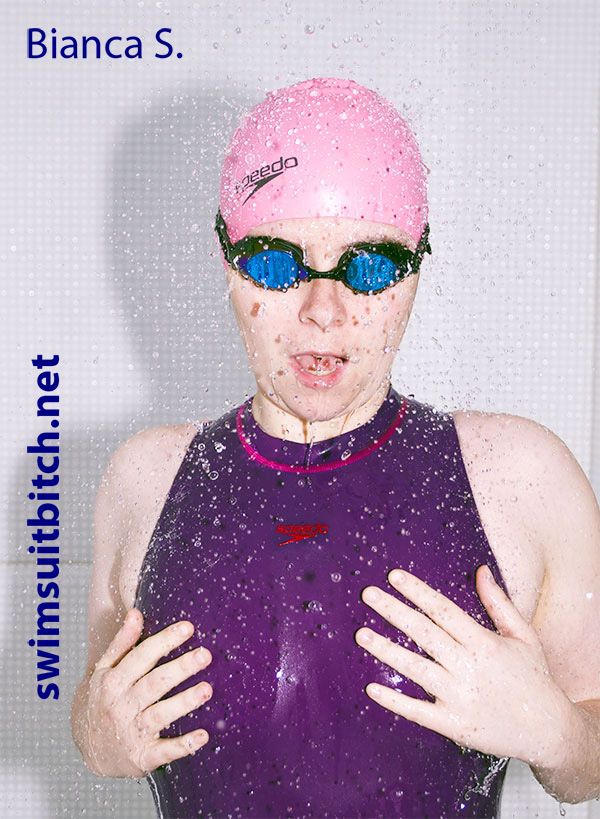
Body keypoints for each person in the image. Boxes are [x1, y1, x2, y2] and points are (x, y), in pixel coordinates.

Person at [70, 76, 600, 818]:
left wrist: (557, 732)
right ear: (228, 264)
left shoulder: (521, 477)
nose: (324, 310)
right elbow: (93, 705)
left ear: (416, 268)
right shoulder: (145, 480)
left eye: (369, 265)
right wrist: (96, 734)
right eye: (277, 263)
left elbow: (587, 763)